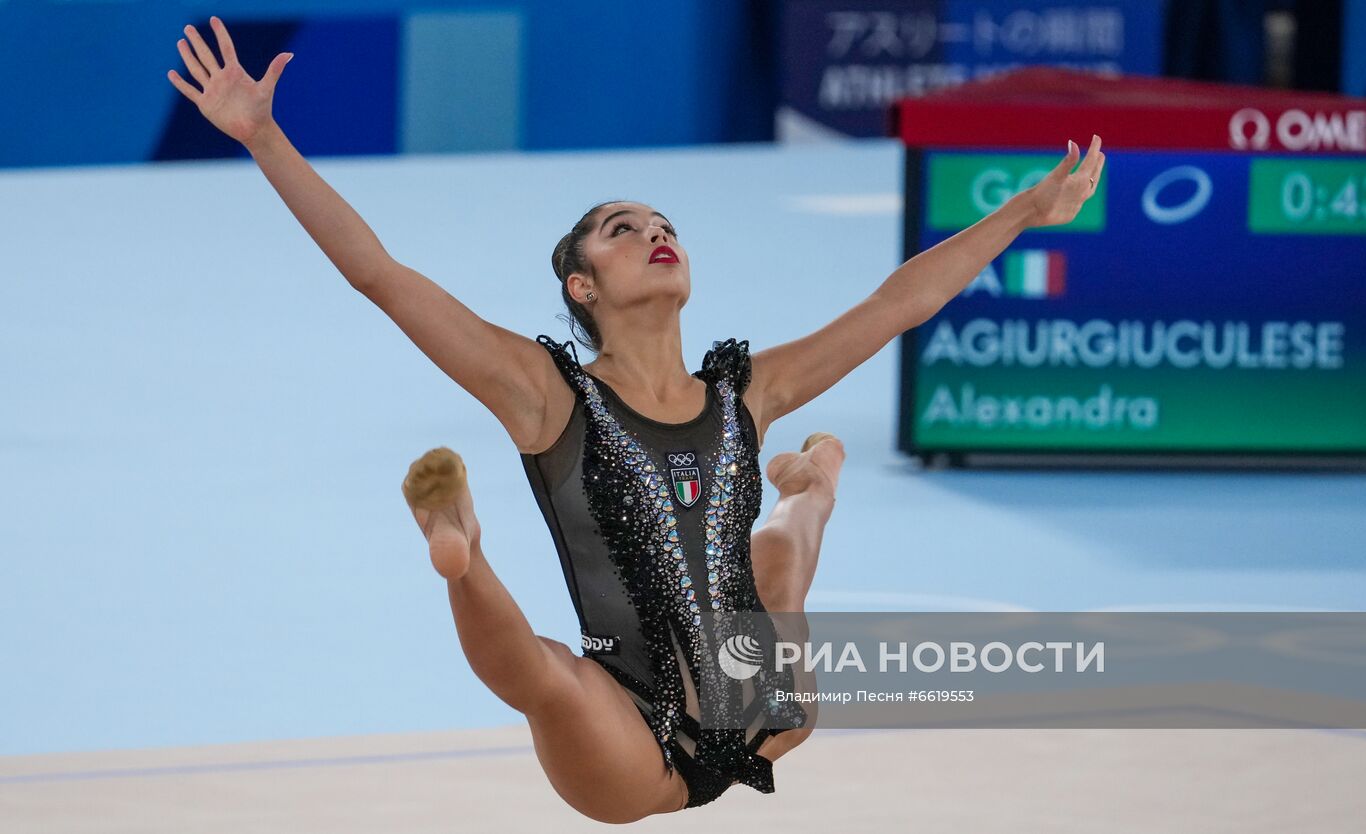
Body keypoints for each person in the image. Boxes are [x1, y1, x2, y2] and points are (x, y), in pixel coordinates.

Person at [167, 16, 1105, 823]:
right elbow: (382, 277)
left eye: (663, 223)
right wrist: (264, 140)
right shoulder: (546, 394)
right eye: (623, 230)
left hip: (764, 709)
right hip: (625, 739)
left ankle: (812, 487)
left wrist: (1025, 211)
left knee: (779, 556)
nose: (656, 233)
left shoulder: (747, 395)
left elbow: (896, 303)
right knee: (544, 675)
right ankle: (463, 556)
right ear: (583, 286)